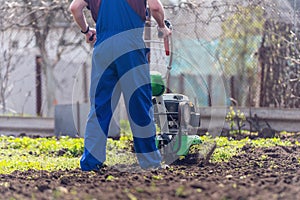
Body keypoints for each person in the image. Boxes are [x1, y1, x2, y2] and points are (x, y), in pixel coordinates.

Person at [69, 0, 171, 171]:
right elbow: (155, 7)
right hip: (130, 46)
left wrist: (86, 31)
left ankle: (91, 163)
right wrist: (162, 26)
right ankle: (150, 163)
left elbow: (75, 8)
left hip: (103, 46)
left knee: (100, 106)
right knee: (139, 104)